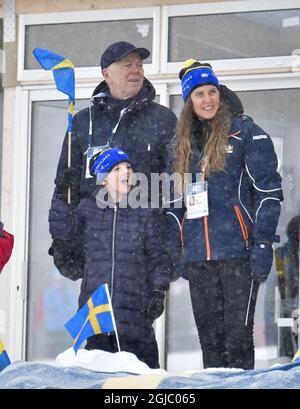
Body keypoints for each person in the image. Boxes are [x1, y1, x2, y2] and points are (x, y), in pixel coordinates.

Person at [49, 41, 243, 280]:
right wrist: (63, 241)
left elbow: (181, 182)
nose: (136, 70)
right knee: (97, 314)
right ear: (106, 73)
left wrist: (173, 244)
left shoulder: (162, 120)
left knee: (133, 312)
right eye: (127, 64)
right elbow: (65, 185)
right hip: (95, 245)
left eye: (139, 65)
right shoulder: (82, 122)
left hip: (143, 244)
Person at [166, 59, 283, 369]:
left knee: (238, 340)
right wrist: (176, 249)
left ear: (220, 93)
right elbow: (174, 204)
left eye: (212, 91)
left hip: (239, 256)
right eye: (199, 94)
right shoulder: (180, 145)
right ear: (189, 101)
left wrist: (262, 243)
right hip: (198, 260)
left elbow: (269, 192)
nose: (208, 100)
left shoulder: (246, 134)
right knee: (210, 342)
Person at [49, 147, 172, 368]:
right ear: (103, 179)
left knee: (142, 380)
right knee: (100, 380)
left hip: (136, 320)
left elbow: (158, 257)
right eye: (116, 169)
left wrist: (158, 291)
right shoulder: (88, 209)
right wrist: (62, 193)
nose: (125, 172)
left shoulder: (145, 210)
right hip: (97, 320)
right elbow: (64, 231)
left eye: (128, 167)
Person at [275, 215, 299, 358]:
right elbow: (281, 279)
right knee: (287, 325)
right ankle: (288, 353)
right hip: (289, 298)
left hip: (289, 298)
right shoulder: (282, 253)